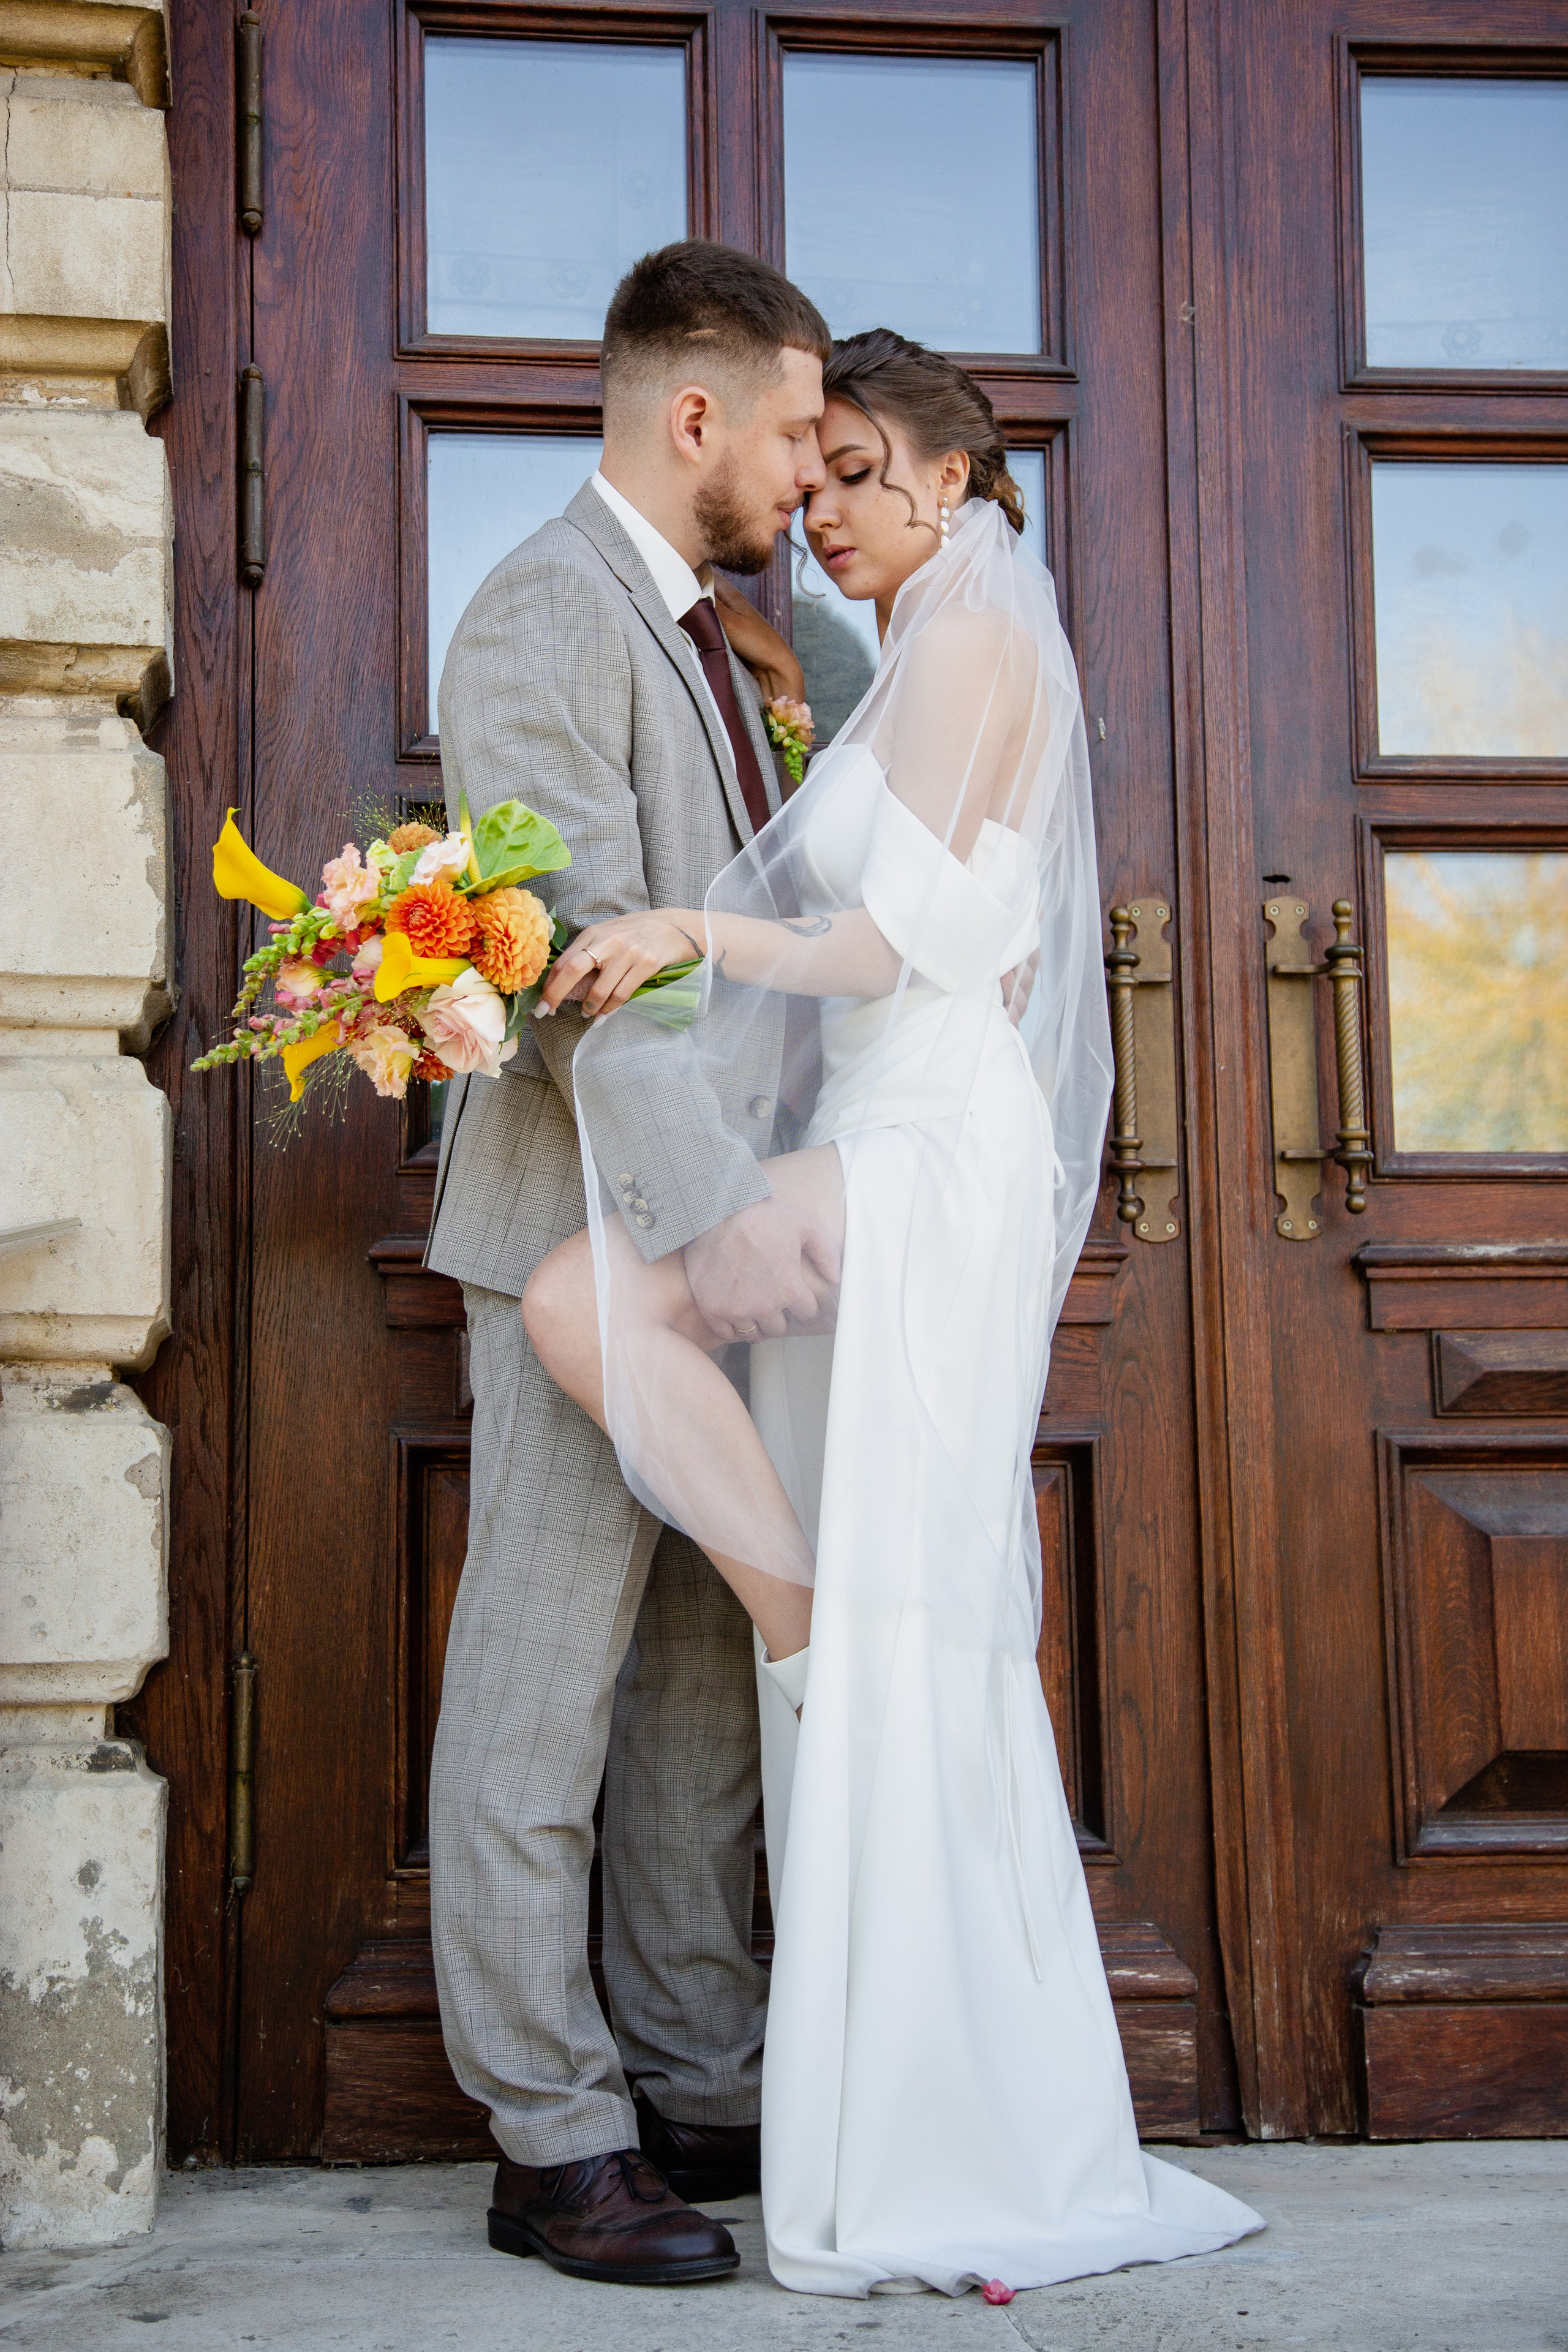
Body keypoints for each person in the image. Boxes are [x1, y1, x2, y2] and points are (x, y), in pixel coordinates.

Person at [524, 330, 1266, 2296]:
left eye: (852, 471)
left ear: (945, 480)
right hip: (893, 1124)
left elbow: (894, 940)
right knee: (664, 1364)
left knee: (592, 1297)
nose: (818, 509)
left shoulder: (972, 640)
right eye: (812, 469)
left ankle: (800, 1626)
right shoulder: (909, 649)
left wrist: (685, 924)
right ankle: (816, 1638)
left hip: (930, 1151)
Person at [424, 239, 833, 2287]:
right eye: (784, 430)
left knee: (686, 1682)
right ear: (694, 416)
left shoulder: (709, 626)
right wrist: (718, 1221)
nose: (804, 468)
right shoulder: (537, 612)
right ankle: (548, 2135)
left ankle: (694, 2067)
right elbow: (587, 943)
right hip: (588, 1235)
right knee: (542, 1679)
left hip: (699, 1228)